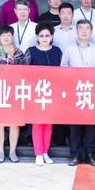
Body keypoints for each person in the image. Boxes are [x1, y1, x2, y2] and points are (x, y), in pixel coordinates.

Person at [61, 19, 95, 167]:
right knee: (75, 125)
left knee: (90, 124)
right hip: (74, 90)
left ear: (91, 32)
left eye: (87, 28)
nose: (84, 31)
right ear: (76, 31)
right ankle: (75, 154)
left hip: (91, 90)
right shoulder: (69, 48)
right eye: (81, 28)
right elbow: (63, 68)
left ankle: (91, 153)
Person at [25, 22, 63, 166]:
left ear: (52, 36)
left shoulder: (57, 51)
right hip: (36, 93)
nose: (44, 38)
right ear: (37, 37)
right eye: (41, 36)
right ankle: (38, 153)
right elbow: (24, 72)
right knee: (37, 123)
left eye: (47, 35)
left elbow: (63, 71)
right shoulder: (31, 51)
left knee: (48, 124)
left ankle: (45, 152)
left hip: (53, 92)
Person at [0, 25, 29, 163]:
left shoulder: (19, 53)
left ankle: (12, 151)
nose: (6, 38)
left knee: (14, 122)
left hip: (15, 91)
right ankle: (0, 151)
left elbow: (26, 70)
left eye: (8, 35)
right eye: (3, 35)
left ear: (12, 37)